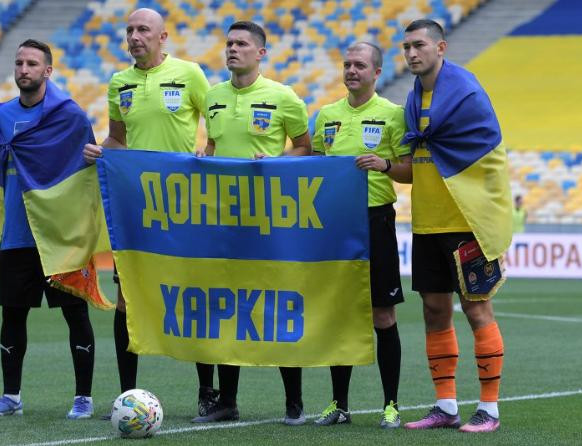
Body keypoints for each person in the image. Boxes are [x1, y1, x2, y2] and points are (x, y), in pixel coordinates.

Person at [81, 8, 215, 418]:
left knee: (195, 296)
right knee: (128, 299)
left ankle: (208, 394)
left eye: (144, 30)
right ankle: (128, 396)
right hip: (136, 207)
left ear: (163, 37)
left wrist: (206, 153)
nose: (135, 36)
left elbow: (217, 126)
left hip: (185, 205)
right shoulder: (119, 83)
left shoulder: (190, 74)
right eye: (130, 30)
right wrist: (100, 151)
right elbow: (118, 139)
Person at [191, 20, 311, 426]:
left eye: (241, 43)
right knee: (224, 307)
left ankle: (294, 403)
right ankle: (226, 401)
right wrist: (205, 156)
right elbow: (212, 145)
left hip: (267, 220)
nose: (232, 49)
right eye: (228, 43)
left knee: (276, 308)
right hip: (222, 219)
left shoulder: (284, 96)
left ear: (261, 53)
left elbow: (305, 150)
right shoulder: (214, 96)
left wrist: (276, 163)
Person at [400, 19, 512, 433]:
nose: (412, 54)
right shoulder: (413, 100)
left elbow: (488, 148)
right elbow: (421, 158)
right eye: (406, 47)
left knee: (476, 309)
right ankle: (445, 406)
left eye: (419, 45)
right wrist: (385, 166)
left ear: (441, 47)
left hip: (466, 223)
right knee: (434, 312)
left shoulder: (465, 93)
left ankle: (489, 409)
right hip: (426, 222)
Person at [0, 39, 97, 419]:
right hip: (16, 233)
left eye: (32, 64)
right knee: (12, 314)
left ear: (48, 71)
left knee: (75, 313)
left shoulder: (72, 116)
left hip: (60, 235)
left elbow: (84, 174)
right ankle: (10, 397)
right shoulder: (2, 116)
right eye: (19, 63)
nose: (23, 69)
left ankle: (84, 398)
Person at [310, 42, 411, 428]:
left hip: (375, 222)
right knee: (338, 315)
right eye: (347, 64)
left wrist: (385, 164)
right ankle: (339, 405)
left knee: (382, 314)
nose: (351, 70)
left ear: (377, 72)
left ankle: (391, 405)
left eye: (359, 65)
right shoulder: (327, 115)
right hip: (334, 224)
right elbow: (313, 163)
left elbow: (410, 171)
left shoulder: (392, 115)